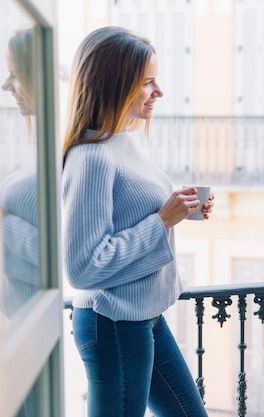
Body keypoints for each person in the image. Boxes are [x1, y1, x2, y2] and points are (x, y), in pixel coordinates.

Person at [61, 26, 212, 417]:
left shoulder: (123, 142)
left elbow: (135, 214)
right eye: (147, 82)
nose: (158, 92)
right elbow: (83, 267)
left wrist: (181, 209)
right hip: (113, 323)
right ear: (116, 85)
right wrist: (162, 220)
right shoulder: (91, 157)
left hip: (142, 317)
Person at [1, 28, 38, 320]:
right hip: (20, 318)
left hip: (35, 323)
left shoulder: (64, 153)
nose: (5, 85)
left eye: (14, 74)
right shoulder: (43, 144)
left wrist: (4, 220)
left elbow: (54, 256)